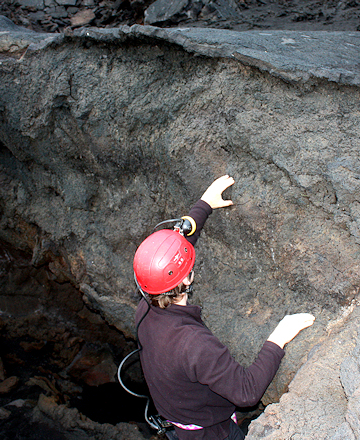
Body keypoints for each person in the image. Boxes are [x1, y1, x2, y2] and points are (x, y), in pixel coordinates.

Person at [133, 175, 315, 440]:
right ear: (186, 278)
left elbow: (173, 254)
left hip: (179, 422)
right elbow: (247, 392)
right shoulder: (194, 344)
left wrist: (204, 204)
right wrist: (279, 337)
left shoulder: (145, 309)